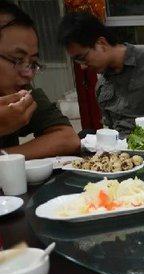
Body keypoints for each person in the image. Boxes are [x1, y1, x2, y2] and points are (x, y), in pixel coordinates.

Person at [0, 1, 79, 159]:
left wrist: (6, 157)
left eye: (33, 63)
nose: (28, 73)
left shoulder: (22, 92)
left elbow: (68, 138)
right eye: (18, 59)